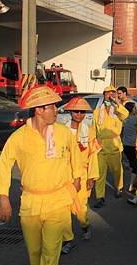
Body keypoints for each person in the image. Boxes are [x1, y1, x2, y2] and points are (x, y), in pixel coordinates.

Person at [0, 86, 82, 265]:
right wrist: (3, 199)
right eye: (53, 107)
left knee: (51, 251)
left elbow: (75, 155)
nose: (57, 110)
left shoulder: (63, 133)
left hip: (58, 201)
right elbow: (3, 165)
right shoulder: (19, 137)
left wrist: (77, 179)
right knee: (34, 252)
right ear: (40, 110)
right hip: (30, 202)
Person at [61, 97, 100, 254]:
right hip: (65, 175)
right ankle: (67, 240)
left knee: (81, 209)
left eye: (82, 112)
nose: (79, 114)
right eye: (76, 111)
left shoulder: (89, 131)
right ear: (70, 112)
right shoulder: (61, 130)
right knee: (63, 209)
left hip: (83, 174)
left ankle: (85, 226)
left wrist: (92, 177)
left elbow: (93, 155)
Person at [93, 85, 129, 207]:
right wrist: (93, 144)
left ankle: (118, 188)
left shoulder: (118, 110)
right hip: (101, 146)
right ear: (103, 95)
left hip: (114, 146)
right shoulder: (97, 112)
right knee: (100, 173)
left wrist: (117, 102)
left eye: (112, 93)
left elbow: (126, 115)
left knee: (117, 170)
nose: (109, 95)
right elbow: (94, 129)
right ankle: (100, 197)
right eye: (107, 93)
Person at [121, 102, 137, 194]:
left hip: (125, 145)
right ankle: (132, 186)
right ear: (132, 109)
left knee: (131, 166)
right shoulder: (135, 119)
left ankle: (130, 185)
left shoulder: (124, 119)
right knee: (136, 166)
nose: (136, 109)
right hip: (133, 145)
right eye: (135, 108)